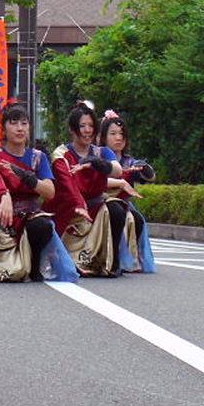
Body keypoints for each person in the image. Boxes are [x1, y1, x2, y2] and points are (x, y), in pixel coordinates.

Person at [0, 103, 78, 282]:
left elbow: (50, 192)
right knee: (11, 274)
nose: (20, 128)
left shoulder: (38, 157)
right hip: (3, 220)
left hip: (31, 216)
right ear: (4, 128)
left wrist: (28, 178)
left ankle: (35, 264)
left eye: (24, 123)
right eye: (14, 123)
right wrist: (4, 195)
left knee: (43, 224)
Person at [47, 102, 135, 277]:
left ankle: (112, 261)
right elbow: (68, 186)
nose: (87, 130)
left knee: (118, 209)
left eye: (91, 126)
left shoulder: (102, 152)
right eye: (82, 126)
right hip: (71, 210)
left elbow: (117, 170)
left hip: (97, 205)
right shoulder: (61, 154)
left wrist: (96, 163)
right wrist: (81, 206)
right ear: (72, 129)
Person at [98, 110, 156, 273]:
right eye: (113, 134)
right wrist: (119, 182)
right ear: (103, 137)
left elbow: (149, 177)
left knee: (136, 219)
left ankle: (129, 259)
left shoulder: (130, 161)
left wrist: (145, 169)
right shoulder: (99, 158)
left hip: (124, 204)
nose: (118, 138)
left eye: (122, 134)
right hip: (101, 201)